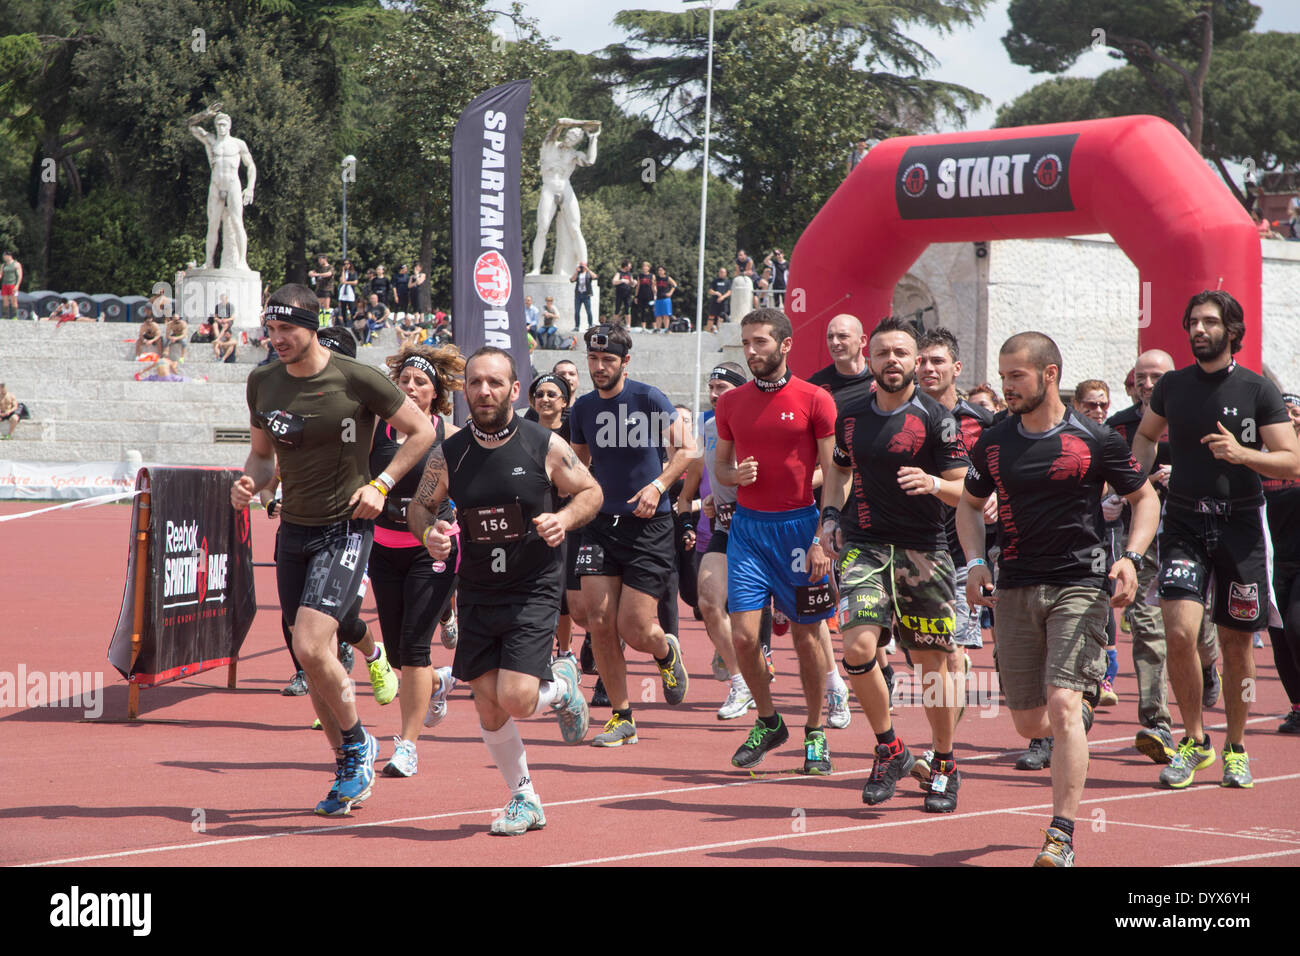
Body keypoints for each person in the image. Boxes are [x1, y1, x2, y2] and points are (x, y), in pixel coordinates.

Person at [230, 283, 437, 816]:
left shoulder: (354, 376)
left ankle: (357, 745)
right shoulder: (262, 382)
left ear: (313, 325)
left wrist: (382, 485)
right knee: (307, 652)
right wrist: (252, 485)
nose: (275, 339)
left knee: (313, 643)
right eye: (269, 329)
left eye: (286, 329)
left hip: (345, 528)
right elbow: (259, 456)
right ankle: (349, 757)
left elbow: (419, 432)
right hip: (293, 530)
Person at [959, 331, 1159, 866]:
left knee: (1064, 705)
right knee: (1029, 723)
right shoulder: (994, 441)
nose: (1006, 387)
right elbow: (969, 506)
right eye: (1002, 377)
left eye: (1016, 376)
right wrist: (978, 562)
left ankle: (1061, 834)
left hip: (1081, 584)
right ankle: (1080, 707)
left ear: (1049, 375)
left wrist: (1131, 558)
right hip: (1015, 586)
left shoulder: (1097, 439)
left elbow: (1145, 500)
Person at [407, 346, 601, 834]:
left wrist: (562, 518)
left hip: (533, 585)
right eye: (476, 383)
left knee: (515, 697)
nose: (484, 391)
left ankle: (561, 688)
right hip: (477, 587)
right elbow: (419, 508)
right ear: (464, 391)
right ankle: (525, 798)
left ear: (516, 390)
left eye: (495, 383)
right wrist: (427, 532)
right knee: (487, 701)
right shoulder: (449, 453)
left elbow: (591, 492)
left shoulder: (543, 444)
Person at [1132, 289, 1300, 789]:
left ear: (1232, 331)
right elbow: (1144, 435)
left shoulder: (1258, 389)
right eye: (1193, 322)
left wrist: (1242, 454)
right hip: (1183, 522)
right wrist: (1135, 481)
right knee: (1180, 631)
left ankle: (1236, 746)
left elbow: (1291, 460)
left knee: (1236, 645)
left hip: (1242, 527)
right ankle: (1194, 740)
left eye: (1209, 322)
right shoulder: (1172, 387)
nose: (1198, 330)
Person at [818, 317, 971, 810]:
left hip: (924, 549)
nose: (892, 361)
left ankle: (945, 762)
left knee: (930, 663)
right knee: (859, 648)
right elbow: (839, 470)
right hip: (865, 544)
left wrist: (931, 483)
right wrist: (829, 516)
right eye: (883, 353)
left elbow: (964, 489)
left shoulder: (936, 417)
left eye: (901, 353)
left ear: (914, 360)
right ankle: (890, 748)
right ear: (871, 357)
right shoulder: (851, 415)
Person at [715, 307, 839, 773]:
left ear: (785, 345)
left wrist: (822, 536)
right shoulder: (730, 403)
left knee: (808, 637)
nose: (751, 351)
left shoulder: (815, 398)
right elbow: (721, 468)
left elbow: (836, 472)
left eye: (760, 342)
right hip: (748, 530)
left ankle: (814, 732)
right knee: (745, 637)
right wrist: (734, 473)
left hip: (799, 529)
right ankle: (769, 721)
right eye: (746, 343)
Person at [568, 323, 694, 746]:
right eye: (593, 359)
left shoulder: (648, 397)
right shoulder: (582, 408)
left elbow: (687, 450)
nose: (599, 367)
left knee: (635, 627)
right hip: (601, 525)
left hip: (650, 526)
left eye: (608, 360)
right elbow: (581, 463)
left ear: (625, 361)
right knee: (599, 620)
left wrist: (658, 486)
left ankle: (664, 650)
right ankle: (622, 716)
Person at [368, 343, 467, 777]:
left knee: (413, 647)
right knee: (395, 656)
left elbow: (472, 490)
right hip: (384, 547)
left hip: (434, 548)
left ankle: (406, 745)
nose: (410, 387)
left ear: (436, 393)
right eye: (404, 380)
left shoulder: (452, 435)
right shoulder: (376, 430)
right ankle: (439, 683)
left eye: (420, 382)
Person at [913, 327, 996, 778]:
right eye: (921, 361)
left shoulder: (980, 422)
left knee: (949, 655)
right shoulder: (903, 415)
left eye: (937, 361)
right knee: (928, 659)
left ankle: (939, 753)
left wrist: (998, 493)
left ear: (956, 368)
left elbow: (1002, 469)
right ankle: (939, 745)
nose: (927, 369)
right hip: (913, 551)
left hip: (962, 551)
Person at [1265, 392, 1300, 734]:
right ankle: (1297, 706)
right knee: (1279, 640)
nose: (1290, 417)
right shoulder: (1260, 460)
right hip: (1272, 562)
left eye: (1295, 411)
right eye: (1283, 413)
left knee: (1297, 627)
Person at [188, 103, 257, 270]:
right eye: (218, 124)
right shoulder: (211, 141)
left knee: (237, 222)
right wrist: (205, 114)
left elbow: (251, 166)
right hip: (216, 184)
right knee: (213, 224)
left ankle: (242, 261)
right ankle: (209, 262)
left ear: (229, 125)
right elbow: (190, 125)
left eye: (224, 124)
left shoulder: (238, 144)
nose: (221, 127)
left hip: (233, 184)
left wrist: (250, 188)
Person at [571, 261, 594, 331]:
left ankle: (590, 325)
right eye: (580, 265)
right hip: (578, 295)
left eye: (583, 265)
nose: (582, 266)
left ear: (586, 265)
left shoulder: (588, 273)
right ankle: (577, 326)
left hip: (586, 295)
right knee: (577, 311)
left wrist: (587, 269)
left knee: (588, 311)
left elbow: (595, 276)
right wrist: (576, 272)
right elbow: (572, 280)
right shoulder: (578, 274)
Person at [652, 266, 677, 333]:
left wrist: (670, 292)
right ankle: (658, 328)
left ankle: (666, 328)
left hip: (666, 298)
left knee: (666, 315)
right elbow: (653, 285)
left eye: (661, 270)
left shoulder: (667, 278)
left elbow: (674, 285)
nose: (660, 271)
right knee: (658, 315)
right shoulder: (656, 279)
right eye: (659, 270)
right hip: (658, 298)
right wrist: (654, 289)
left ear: (664, 271)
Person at [706, 267, 730, 334]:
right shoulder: (715, 281)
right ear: (718, 273)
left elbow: (729, 292)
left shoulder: (727, 282)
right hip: (715, 301)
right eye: (721, 272)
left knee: (721, 316)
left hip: (723, 302)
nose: (722, 274)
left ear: (726, 273)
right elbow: (710, 290)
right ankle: (708, 330)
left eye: (723, 272)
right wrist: (715, 293)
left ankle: (719, 330)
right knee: (711, 315)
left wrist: (722, 297)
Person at [612, 260, 634, 325]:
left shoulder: (629, 274)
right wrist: (622, 280)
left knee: (628, 310)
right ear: (625, 266)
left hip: (628, 294)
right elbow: (614, 282)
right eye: (629, 266)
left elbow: (632, 284)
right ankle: (614, 325)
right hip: (619, 294)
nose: (631, 267)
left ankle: (628, 325)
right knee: (617, 309)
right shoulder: (619, 273)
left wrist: (634, 283)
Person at [0, 252, 22, 320]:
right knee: (5, 300)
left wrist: (17, 285)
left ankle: (15, 316)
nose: (3, 257)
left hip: (12, 284)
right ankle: (5, 316)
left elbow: (20, 275)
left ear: (9, 256)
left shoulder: (16, 264)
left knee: (13, 300)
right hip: (4, 284)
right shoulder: (3, 265)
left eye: (4, 256)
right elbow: (1, 274)